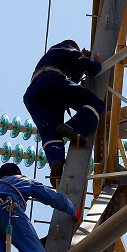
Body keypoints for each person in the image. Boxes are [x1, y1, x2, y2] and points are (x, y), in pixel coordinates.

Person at [23, 39, 105, 187]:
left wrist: (82, 65)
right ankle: (75, 128)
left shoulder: (53, 57)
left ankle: (57, 163)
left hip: (33, 94)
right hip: (51, 81)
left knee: (50, 132)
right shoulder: (66, 48)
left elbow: (74, 75)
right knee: (95, 104)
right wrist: (96, 62)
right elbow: (90, 69)